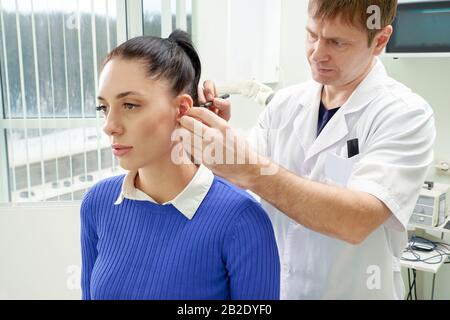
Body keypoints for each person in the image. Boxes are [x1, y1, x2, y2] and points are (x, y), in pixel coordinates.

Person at [179, 0, 436, 299]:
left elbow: (356, 221)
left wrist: (249, 169)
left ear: (379, 41)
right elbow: (233, 174)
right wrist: (209, 131)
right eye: (312, 35)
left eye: (337, 43)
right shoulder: (285, 105)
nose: (317, 53)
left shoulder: (405, 114)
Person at [80, 29, 280, 300]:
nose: (110, 126)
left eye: (129, 105)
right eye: (103, 108)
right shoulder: (97, 202)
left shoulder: (242, 220)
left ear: (182, 110)